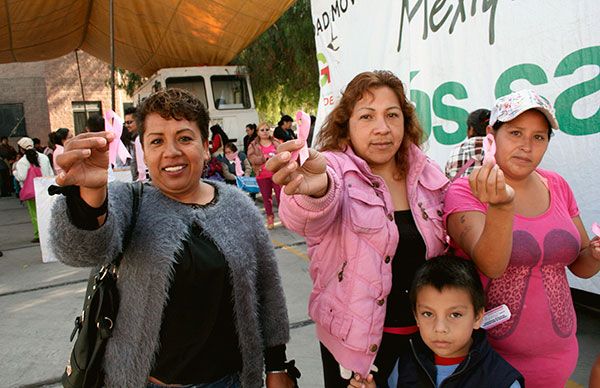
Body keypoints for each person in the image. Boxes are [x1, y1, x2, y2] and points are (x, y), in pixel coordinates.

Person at [49, 88, 297, 388]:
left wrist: (276, 365)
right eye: (157, 141)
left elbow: (267, 292)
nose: (171, 152)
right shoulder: (128, 201)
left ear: (205, 147)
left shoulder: (239, 206)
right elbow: (82, 250)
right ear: (143, 150)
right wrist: (89, 195)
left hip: (231, 382)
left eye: (184, 138)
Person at [266, 70, 448, 387]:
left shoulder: (425, 172)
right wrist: (314, 188)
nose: (382, 128)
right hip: (355, 351)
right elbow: (305, 214)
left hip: (426, 343)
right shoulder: (334, 168)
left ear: (405, 123)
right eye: (366, 116)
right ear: (346, 126)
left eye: (392, 115)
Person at [443, 89, 600, 388]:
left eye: (539, 137)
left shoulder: (557, 185)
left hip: (560, 355)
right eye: (515, 133)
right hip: (491, 362)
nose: (527, 146)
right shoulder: (466, 190)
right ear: (491, 135)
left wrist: (595, 253)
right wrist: (501, 206)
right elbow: (491, 264)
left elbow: (580, 264)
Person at [349, 255, 524, 388]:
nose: (440, 328)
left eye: (455, 315)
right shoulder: (405, 366)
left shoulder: (501, 381)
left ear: (478, 317)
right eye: (427, 314)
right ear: (416, 316)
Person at [14, 137, 53, 243]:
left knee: (34, 213)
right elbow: (50, 173)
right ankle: (49, 232)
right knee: (46, 211)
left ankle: (38, 234)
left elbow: (21, 177)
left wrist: (15, 173)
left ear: (21, 149)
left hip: (31, 192)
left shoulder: (22, 162)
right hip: (45, 188)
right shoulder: (44, 157)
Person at [247, 123, 283, 230]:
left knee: (280, 196)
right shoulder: (253, 145)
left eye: (267, 129)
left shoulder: (276, 142)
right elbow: (251, 159)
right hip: (262, 175)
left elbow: (284, 154)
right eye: (262, 130)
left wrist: (278, 157)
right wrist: (264, 158)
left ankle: (284, 217)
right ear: (257, 132)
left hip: (276, 174)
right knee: (266, 198)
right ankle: (270, 217)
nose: (265, 131)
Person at [444, 109, 490, 179]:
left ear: (471, 129)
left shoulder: (455, 152)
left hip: (460, 189)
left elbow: (448, 180)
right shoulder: (500, 150)